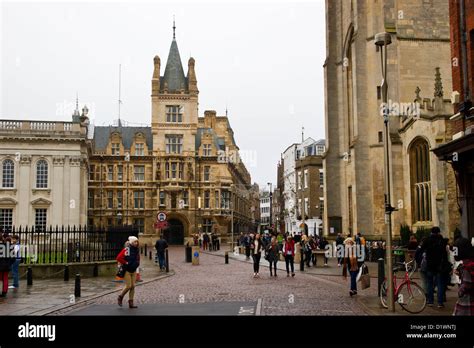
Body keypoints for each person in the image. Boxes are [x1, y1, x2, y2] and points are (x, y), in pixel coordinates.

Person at [420, 226, 448, 308]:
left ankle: (430, 301)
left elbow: (422, 248)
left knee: (429, 283)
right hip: (439, 265)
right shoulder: (442, 241)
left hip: (430, 265)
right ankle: (440, 302)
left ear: (431, 232)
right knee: (440, 284)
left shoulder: (427, 240)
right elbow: (445, 254)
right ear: (439, 232)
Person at [117, 236, 141, 309]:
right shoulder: (127, 249)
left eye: (137, 241)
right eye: (134, 242)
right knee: (128, 286)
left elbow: (138, 258)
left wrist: (137, 263)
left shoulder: (137, 250)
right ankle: (120, 297)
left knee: (133, 286)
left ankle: (131, 302)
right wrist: (126, 262)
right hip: (127, 270)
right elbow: (118, 258)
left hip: (133, 270)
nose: (136, 243)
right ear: (131, 242)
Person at [453, 236, 474, 315]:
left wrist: (460, 292)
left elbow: (466, 285)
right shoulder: (470, 263)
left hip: (467, 303)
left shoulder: (467, 267)